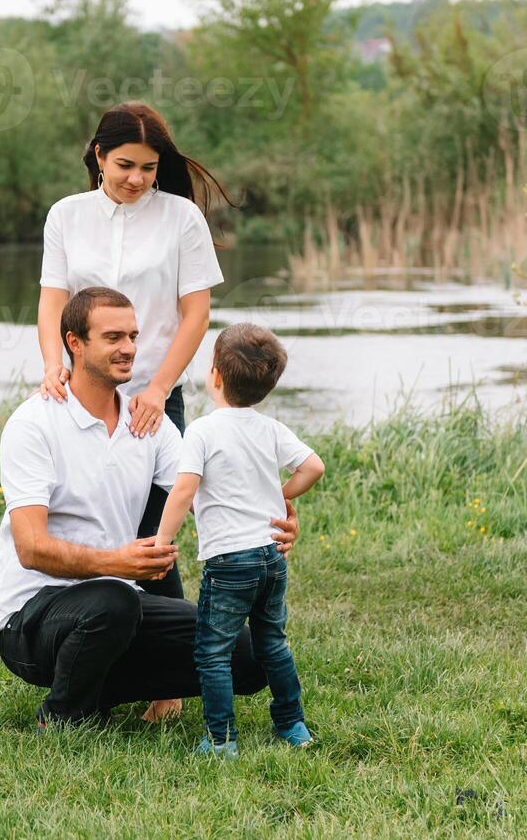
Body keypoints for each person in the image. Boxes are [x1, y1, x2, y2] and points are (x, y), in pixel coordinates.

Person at [0, 288, 299, 729]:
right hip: (30, 617)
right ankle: (60, 715)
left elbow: (213, 497)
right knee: (114, 600)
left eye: (133, 336)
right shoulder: (34, 423)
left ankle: (96, 689)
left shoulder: (148, 423)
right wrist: (117, 562)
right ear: (74, 343)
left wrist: (275, 525)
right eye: (113, 337)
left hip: (119, 607)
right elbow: (31, 548)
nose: (130, 348)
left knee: (250, 656)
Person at [34, 101, 234, 720]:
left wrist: (157, 390)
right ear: (98, 155)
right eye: (125, 165)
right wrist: (52, 365)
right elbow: (52, 302)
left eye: (149, 168)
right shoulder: (66, 216)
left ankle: (167, 682)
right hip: (78, 391)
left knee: (154, 528)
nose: (137, 179)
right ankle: (82, 648)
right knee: (86, 521)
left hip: (151, 394)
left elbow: (195, 313)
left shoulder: (181, 219)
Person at [151, 323, 327, 757]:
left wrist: (162, 540)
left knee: (212, 651)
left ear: (215, 376)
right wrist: (279, 497)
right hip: (271, 557)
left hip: (229, 561)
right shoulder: (270, 429)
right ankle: (292, 724)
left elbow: (184, 490)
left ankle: (221, 739)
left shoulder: (203, 431)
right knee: (273, 642)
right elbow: (313, 467)